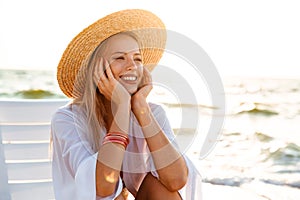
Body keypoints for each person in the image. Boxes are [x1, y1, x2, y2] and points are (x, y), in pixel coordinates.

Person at [51, 9, 202, 200]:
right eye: (120, 57)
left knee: (161, 188)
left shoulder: (152, 112)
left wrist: (140, 107)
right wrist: (121, 107)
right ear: (96, 69)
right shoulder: (67, 119)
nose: (132, 65)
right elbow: (103, 187)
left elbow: (176, 180)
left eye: (137, 59)